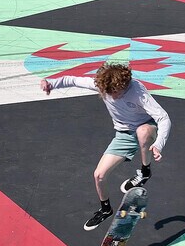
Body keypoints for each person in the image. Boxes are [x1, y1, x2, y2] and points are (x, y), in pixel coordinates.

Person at [40, 62, 171, 231]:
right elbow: (71, 80)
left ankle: (145, 170)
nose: (112, 96)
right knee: (99, 176)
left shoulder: (138, 92)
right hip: (123, 135)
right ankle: (105, 209)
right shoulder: (104, 85)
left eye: (115, 92)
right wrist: (51, 83)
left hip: (146, 126)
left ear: (123, 85)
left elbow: (163, 118)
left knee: (143, 132)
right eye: (107, 93)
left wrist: (159, 144)